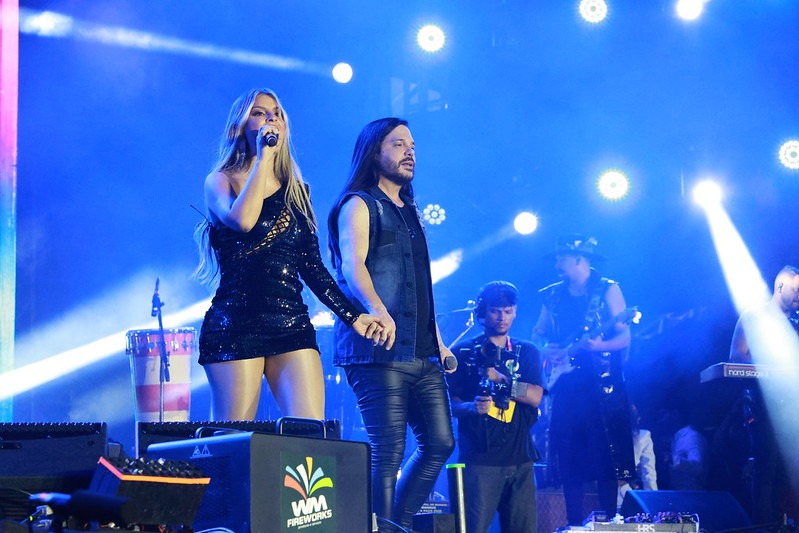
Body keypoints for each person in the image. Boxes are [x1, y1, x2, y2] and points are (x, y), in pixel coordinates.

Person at [193, 88, 383, 422]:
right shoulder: (220, 181)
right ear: (239, 126)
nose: (270, 119)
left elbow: (312, 267)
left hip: (291, 322)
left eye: (276, 114)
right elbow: (243, 220)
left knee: (310, 432)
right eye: (259, 113)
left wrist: (353, 316)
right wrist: (263, 160)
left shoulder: (297, 191)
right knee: (233, 435)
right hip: (235, 323)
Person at [327, 117, 456, 532]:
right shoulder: (359, 203)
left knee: (440, 443)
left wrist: (439, 341)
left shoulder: (411, 211)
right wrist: (377, 309)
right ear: (374, 151)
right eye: (399, 144)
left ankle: (392, 525)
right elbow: (353, 266)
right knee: (388, 450)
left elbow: (420, 284)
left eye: (412, 145)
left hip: (422, 351)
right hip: (377, 349)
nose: (410, 152)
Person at [532, 234, 636, 526]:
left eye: (561, 258)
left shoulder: (608, 289)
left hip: (602, 387)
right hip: (565, 386)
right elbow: (537, 333)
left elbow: (625, 337)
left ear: (579, 259)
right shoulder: (552, 295)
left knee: (606, 456)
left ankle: (610, 521)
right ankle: (574, 524)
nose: (557, 263)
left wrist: (601, 346)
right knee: (569, 456)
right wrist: (544, 349)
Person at [448, 281, 545, 533]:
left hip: (521, 459)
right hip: (479, 460)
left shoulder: (527, 351)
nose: (502, 317)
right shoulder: (462, 352)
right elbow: (448, 404)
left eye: (508, 311)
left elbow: (535, 396)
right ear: (482, 312)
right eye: (495, 311)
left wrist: (502, 380)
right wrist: (471, 407)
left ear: (515, 312)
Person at [726, 265, 799, 524]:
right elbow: (736, 358)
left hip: (793, 404)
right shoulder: (754, 317)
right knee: (767, 463)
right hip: (762, 402)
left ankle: (783, 523)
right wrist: (772, 363)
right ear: (780, 286)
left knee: (788, 467)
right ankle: (763, 526)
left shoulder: (796, 323)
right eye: (796, 290)